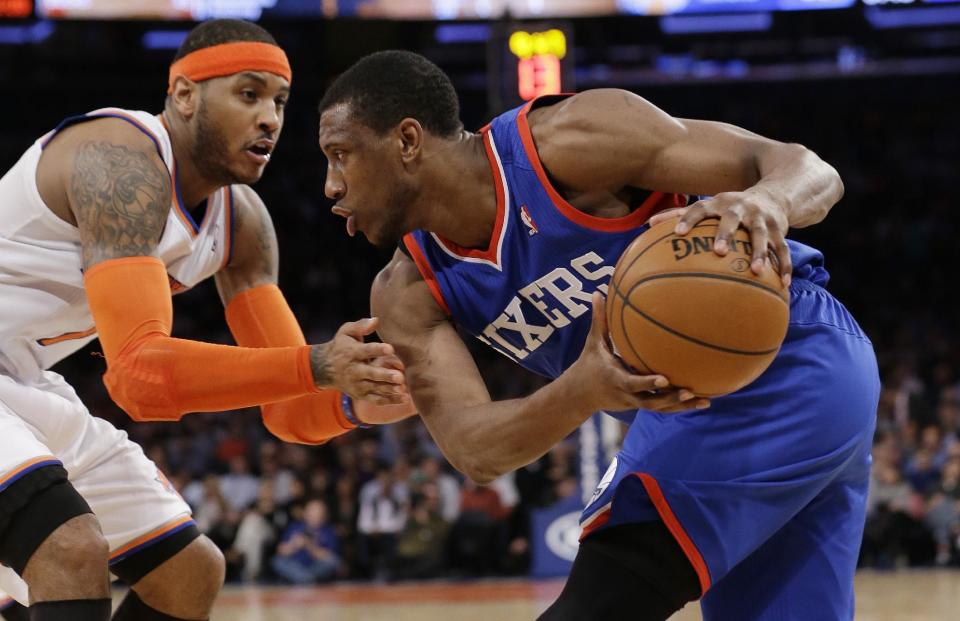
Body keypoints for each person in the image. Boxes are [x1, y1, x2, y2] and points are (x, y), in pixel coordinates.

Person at [317, 51, 880, 620]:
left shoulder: (567, 142)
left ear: (407, 141)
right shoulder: (406, 291)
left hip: (792, 356)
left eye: (341, 156)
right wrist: (582, 389)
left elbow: (806, 168)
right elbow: (475, 450)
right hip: (715, 407)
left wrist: (766, 201)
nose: (330, 186)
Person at [0, 20, 412, 621]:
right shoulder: (120, 159)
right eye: (248, 95)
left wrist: (356, 399)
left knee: (190, 572)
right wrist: (321, 364)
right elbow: (138, 378)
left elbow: (294, 409)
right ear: (185, 95)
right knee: (72, 548)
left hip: (22, 377)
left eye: (279, 101)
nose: (270, 118)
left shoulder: (243, 224)